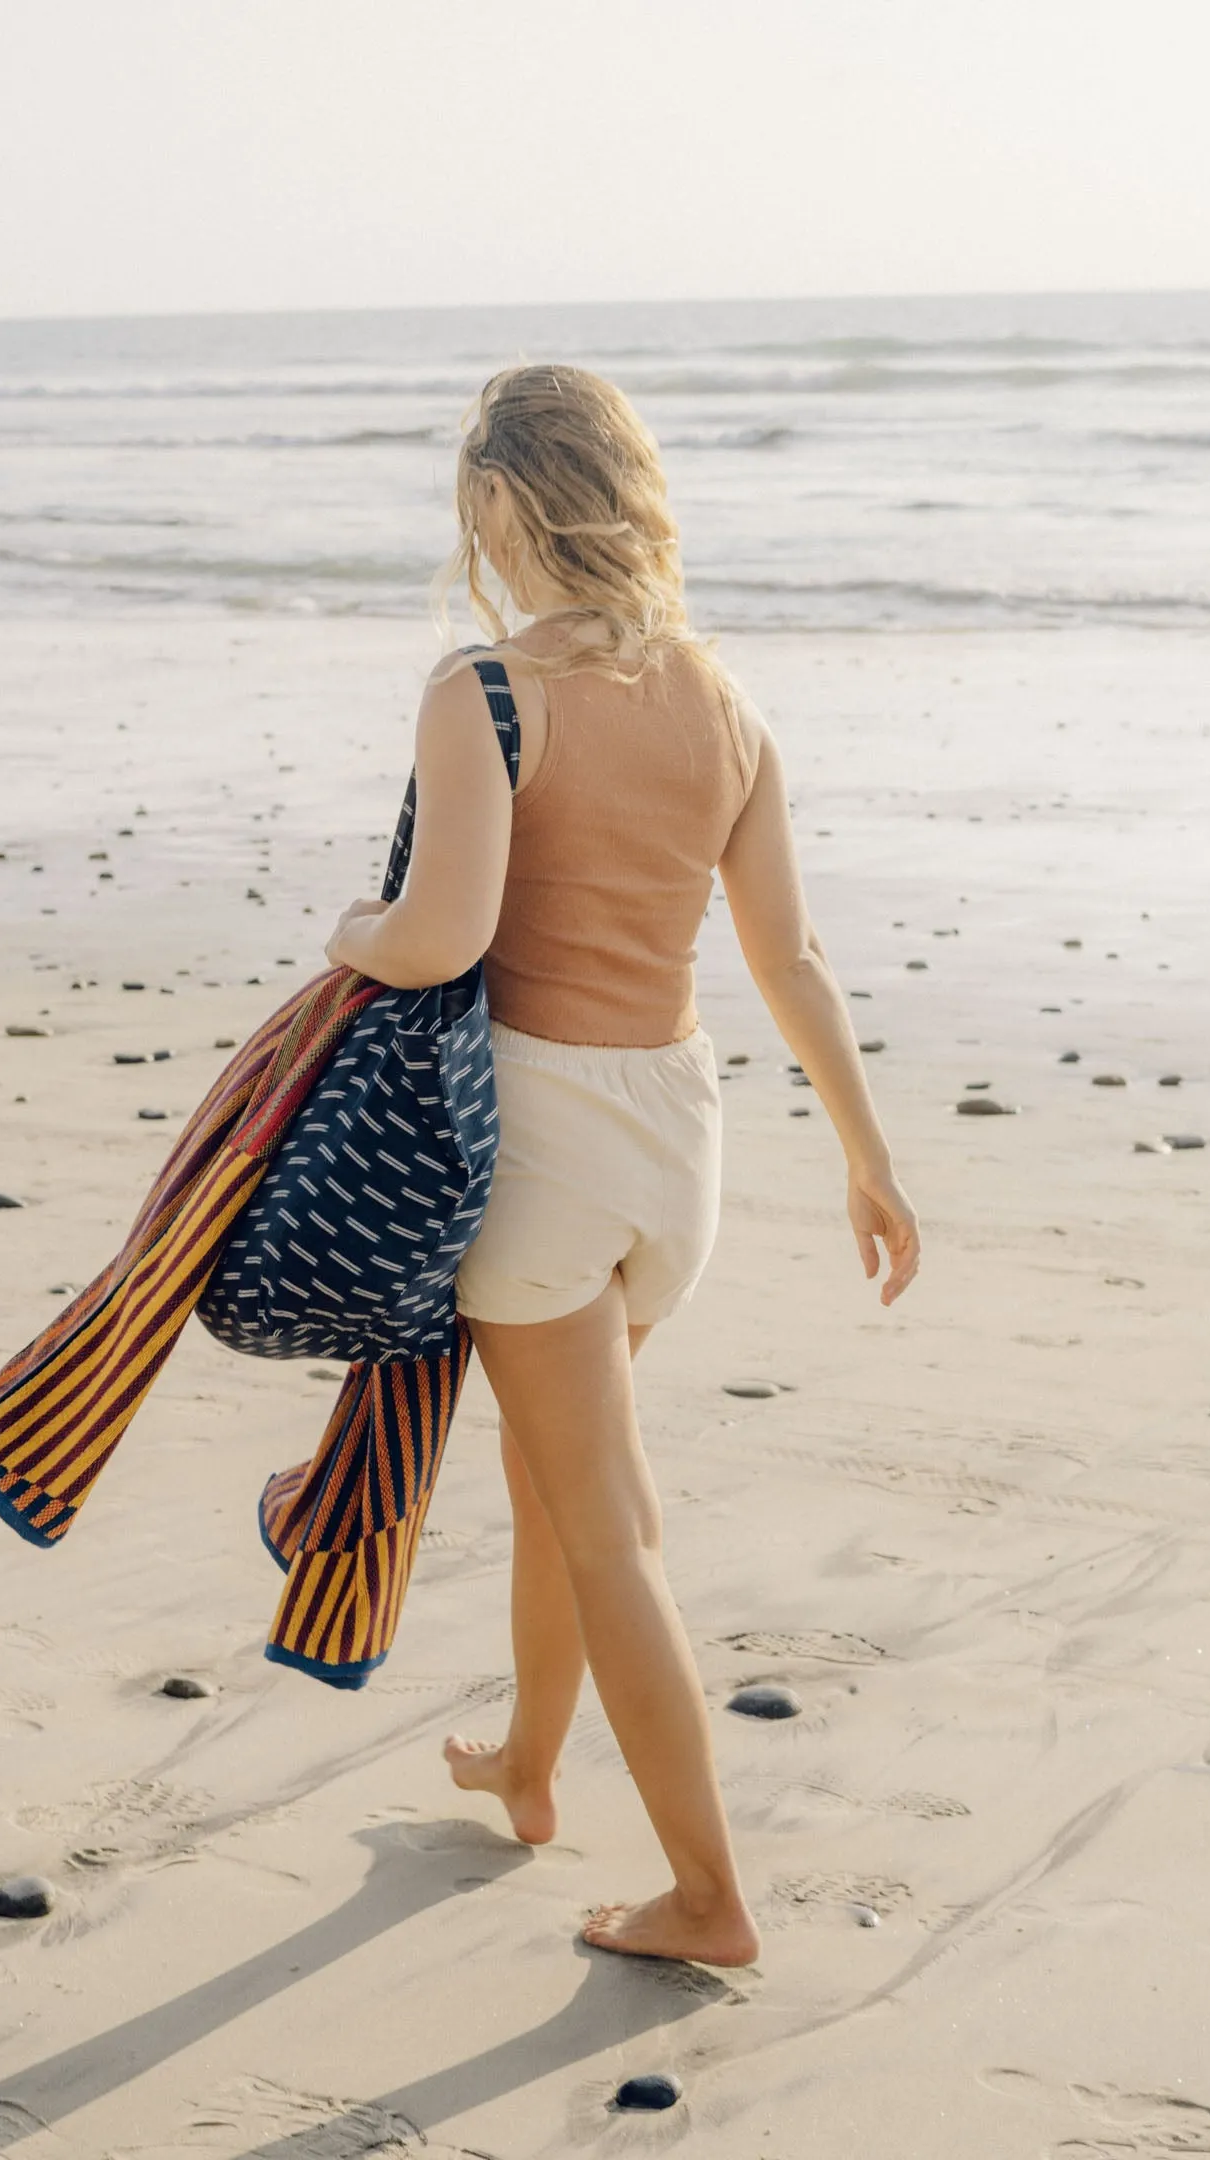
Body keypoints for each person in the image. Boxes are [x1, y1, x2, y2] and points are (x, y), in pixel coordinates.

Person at [324, 364, 920, 1967]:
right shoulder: (724, 705)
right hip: (679, 1138)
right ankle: (528, 1765)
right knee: (554, 1480)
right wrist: (869, 1157)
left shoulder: (487, 692)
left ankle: (710, 1896)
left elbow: (439, 935)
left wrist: (350, 932)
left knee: (611, 1523)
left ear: (508, 506)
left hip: (545, 1149)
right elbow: (790, 959)